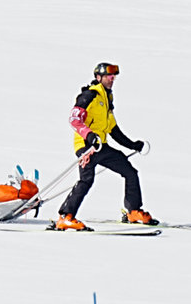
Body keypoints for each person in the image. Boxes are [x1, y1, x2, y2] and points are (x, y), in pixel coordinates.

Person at [54, 62, 158, 230]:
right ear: (98, 78)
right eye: (109, 76)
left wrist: (132, 145)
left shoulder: (107, 100)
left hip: (101, 147)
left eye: (113, 76)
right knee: (86, 180)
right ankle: (66, 217)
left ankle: (133, 211)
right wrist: (89, 136)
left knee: (130, 172)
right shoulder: (89, 96)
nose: (112, 79)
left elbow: (113, 130)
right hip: (86, 147)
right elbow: (74, 120)